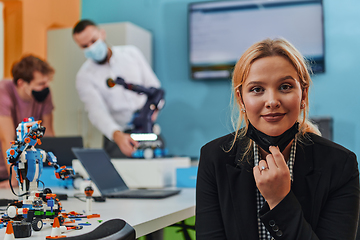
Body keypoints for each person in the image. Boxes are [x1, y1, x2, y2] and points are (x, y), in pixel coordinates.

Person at [196, 38, 360, 239]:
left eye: (285, 86)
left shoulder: (340, 164)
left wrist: (280, 201)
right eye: (257, 89)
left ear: (303, 95)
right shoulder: (215, 157)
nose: (272, 101)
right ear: (241, 99)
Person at [72, 19, 161, 158]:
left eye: (93, 41)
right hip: (119, 136)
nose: (90, 47)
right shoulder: (84, 76)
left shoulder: (131, 54)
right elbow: (96, 111)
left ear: (102, 34)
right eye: (84, 46)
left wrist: (154, 108)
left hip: (148, 130)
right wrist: (117, 135)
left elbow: (154, 87)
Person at [0, 55, 55, 188]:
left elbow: (48, 134)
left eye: (47, 82)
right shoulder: (3, 91)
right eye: (41, 84)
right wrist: (14, 178)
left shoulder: (44, 94)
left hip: (27, 170)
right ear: (21, 83)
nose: (46, 87)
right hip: (5, 170)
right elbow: (6, 138)